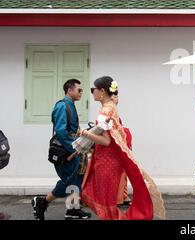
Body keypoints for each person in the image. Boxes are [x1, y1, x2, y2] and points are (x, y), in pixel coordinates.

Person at [80, 76, 165, 220]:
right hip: (111, 160)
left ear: (102, 91)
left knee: (103, 201)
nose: (92, 92)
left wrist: (85, 133)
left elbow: (106, 141)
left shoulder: (105, 112)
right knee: (105, 200)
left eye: (92, 89)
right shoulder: (111, 106)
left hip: (106, 161)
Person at [31, 79, 91, 220]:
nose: (81, 93)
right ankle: (41, 202)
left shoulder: (70, 105)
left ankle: (73, 211)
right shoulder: (62, 106)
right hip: (66, 151)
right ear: (69, 90)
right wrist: (74, 148)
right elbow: (61, 131)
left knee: (76, 181)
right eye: (79, 90)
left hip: (74, 150)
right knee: (67, 181)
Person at [111, 92, 133, 206]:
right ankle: (119, 198)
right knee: (120, 173)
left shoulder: (114, 112)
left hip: (120, 144)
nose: (116, 99)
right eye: (114, 96)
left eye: (117, 96)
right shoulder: (108, 111)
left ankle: (123, 196)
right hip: (115, 146)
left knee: (124, 172)